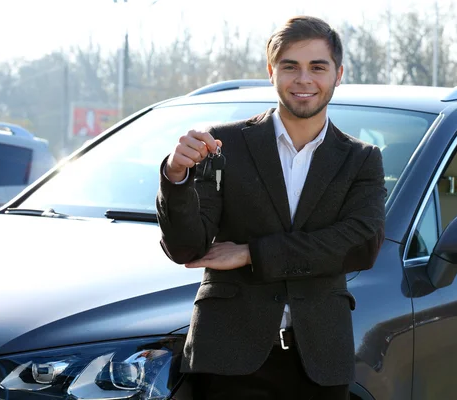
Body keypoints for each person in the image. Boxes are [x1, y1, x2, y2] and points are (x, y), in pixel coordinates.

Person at [156, 15, 386, 400]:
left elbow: (359, 244)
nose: (303, 80)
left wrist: (252, 254)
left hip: (320, 358)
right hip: (228, 355)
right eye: (290, 66)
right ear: (271, 72)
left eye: (318, 67)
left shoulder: (361, 159)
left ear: (338, 74)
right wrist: (176, 176)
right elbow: (187, 248)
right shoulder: (223, 145)